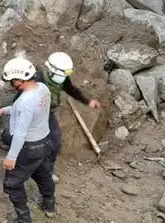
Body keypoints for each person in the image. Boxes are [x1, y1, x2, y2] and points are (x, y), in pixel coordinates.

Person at [9, 52, 100, 182]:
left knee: (55, 143)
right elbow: (18, 101)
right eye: (60, 75)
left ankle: (47, 170)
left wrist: (87, 101)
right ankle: (8, 141)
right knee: (18, 135)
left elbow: (71, 90)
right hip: (30, 112)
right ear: (50, 71)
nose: (62, 78)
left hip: (46, 112)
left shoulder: (61, 78)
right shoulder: (36, 80)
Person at [0, 58, 56, 223]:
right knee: (43, 175)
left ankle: (24, 220)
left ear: (19, 79)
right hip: (45, 142)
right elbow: (24, 109)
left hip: (28, 148)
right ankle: (49, 205)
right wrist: (3, 110)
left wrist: (11, 157)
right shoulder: (42, 89)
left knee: (12, 184)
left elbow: (21, 132)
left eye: (12, 81)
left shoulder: (25, 102)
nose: (11, 84)